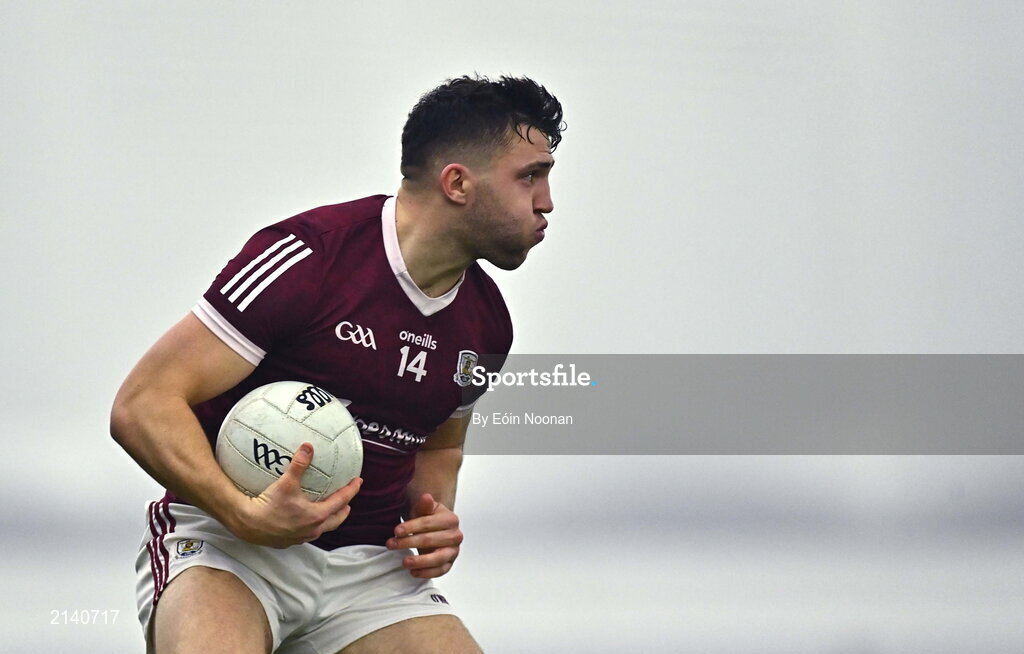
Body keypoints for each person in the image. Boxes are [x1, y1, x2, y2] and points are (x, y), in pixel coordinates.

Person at [110, 75, 564, 654]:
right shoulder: (311, 257)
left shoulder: (489, 326)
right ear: (457, 183)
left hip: (370, 575)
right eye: (531, 176)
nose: (547, 202)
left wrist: (434, 519)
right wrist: (242, 513)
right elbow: (142, 405)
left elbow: (440, 446)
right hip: (229, 550)